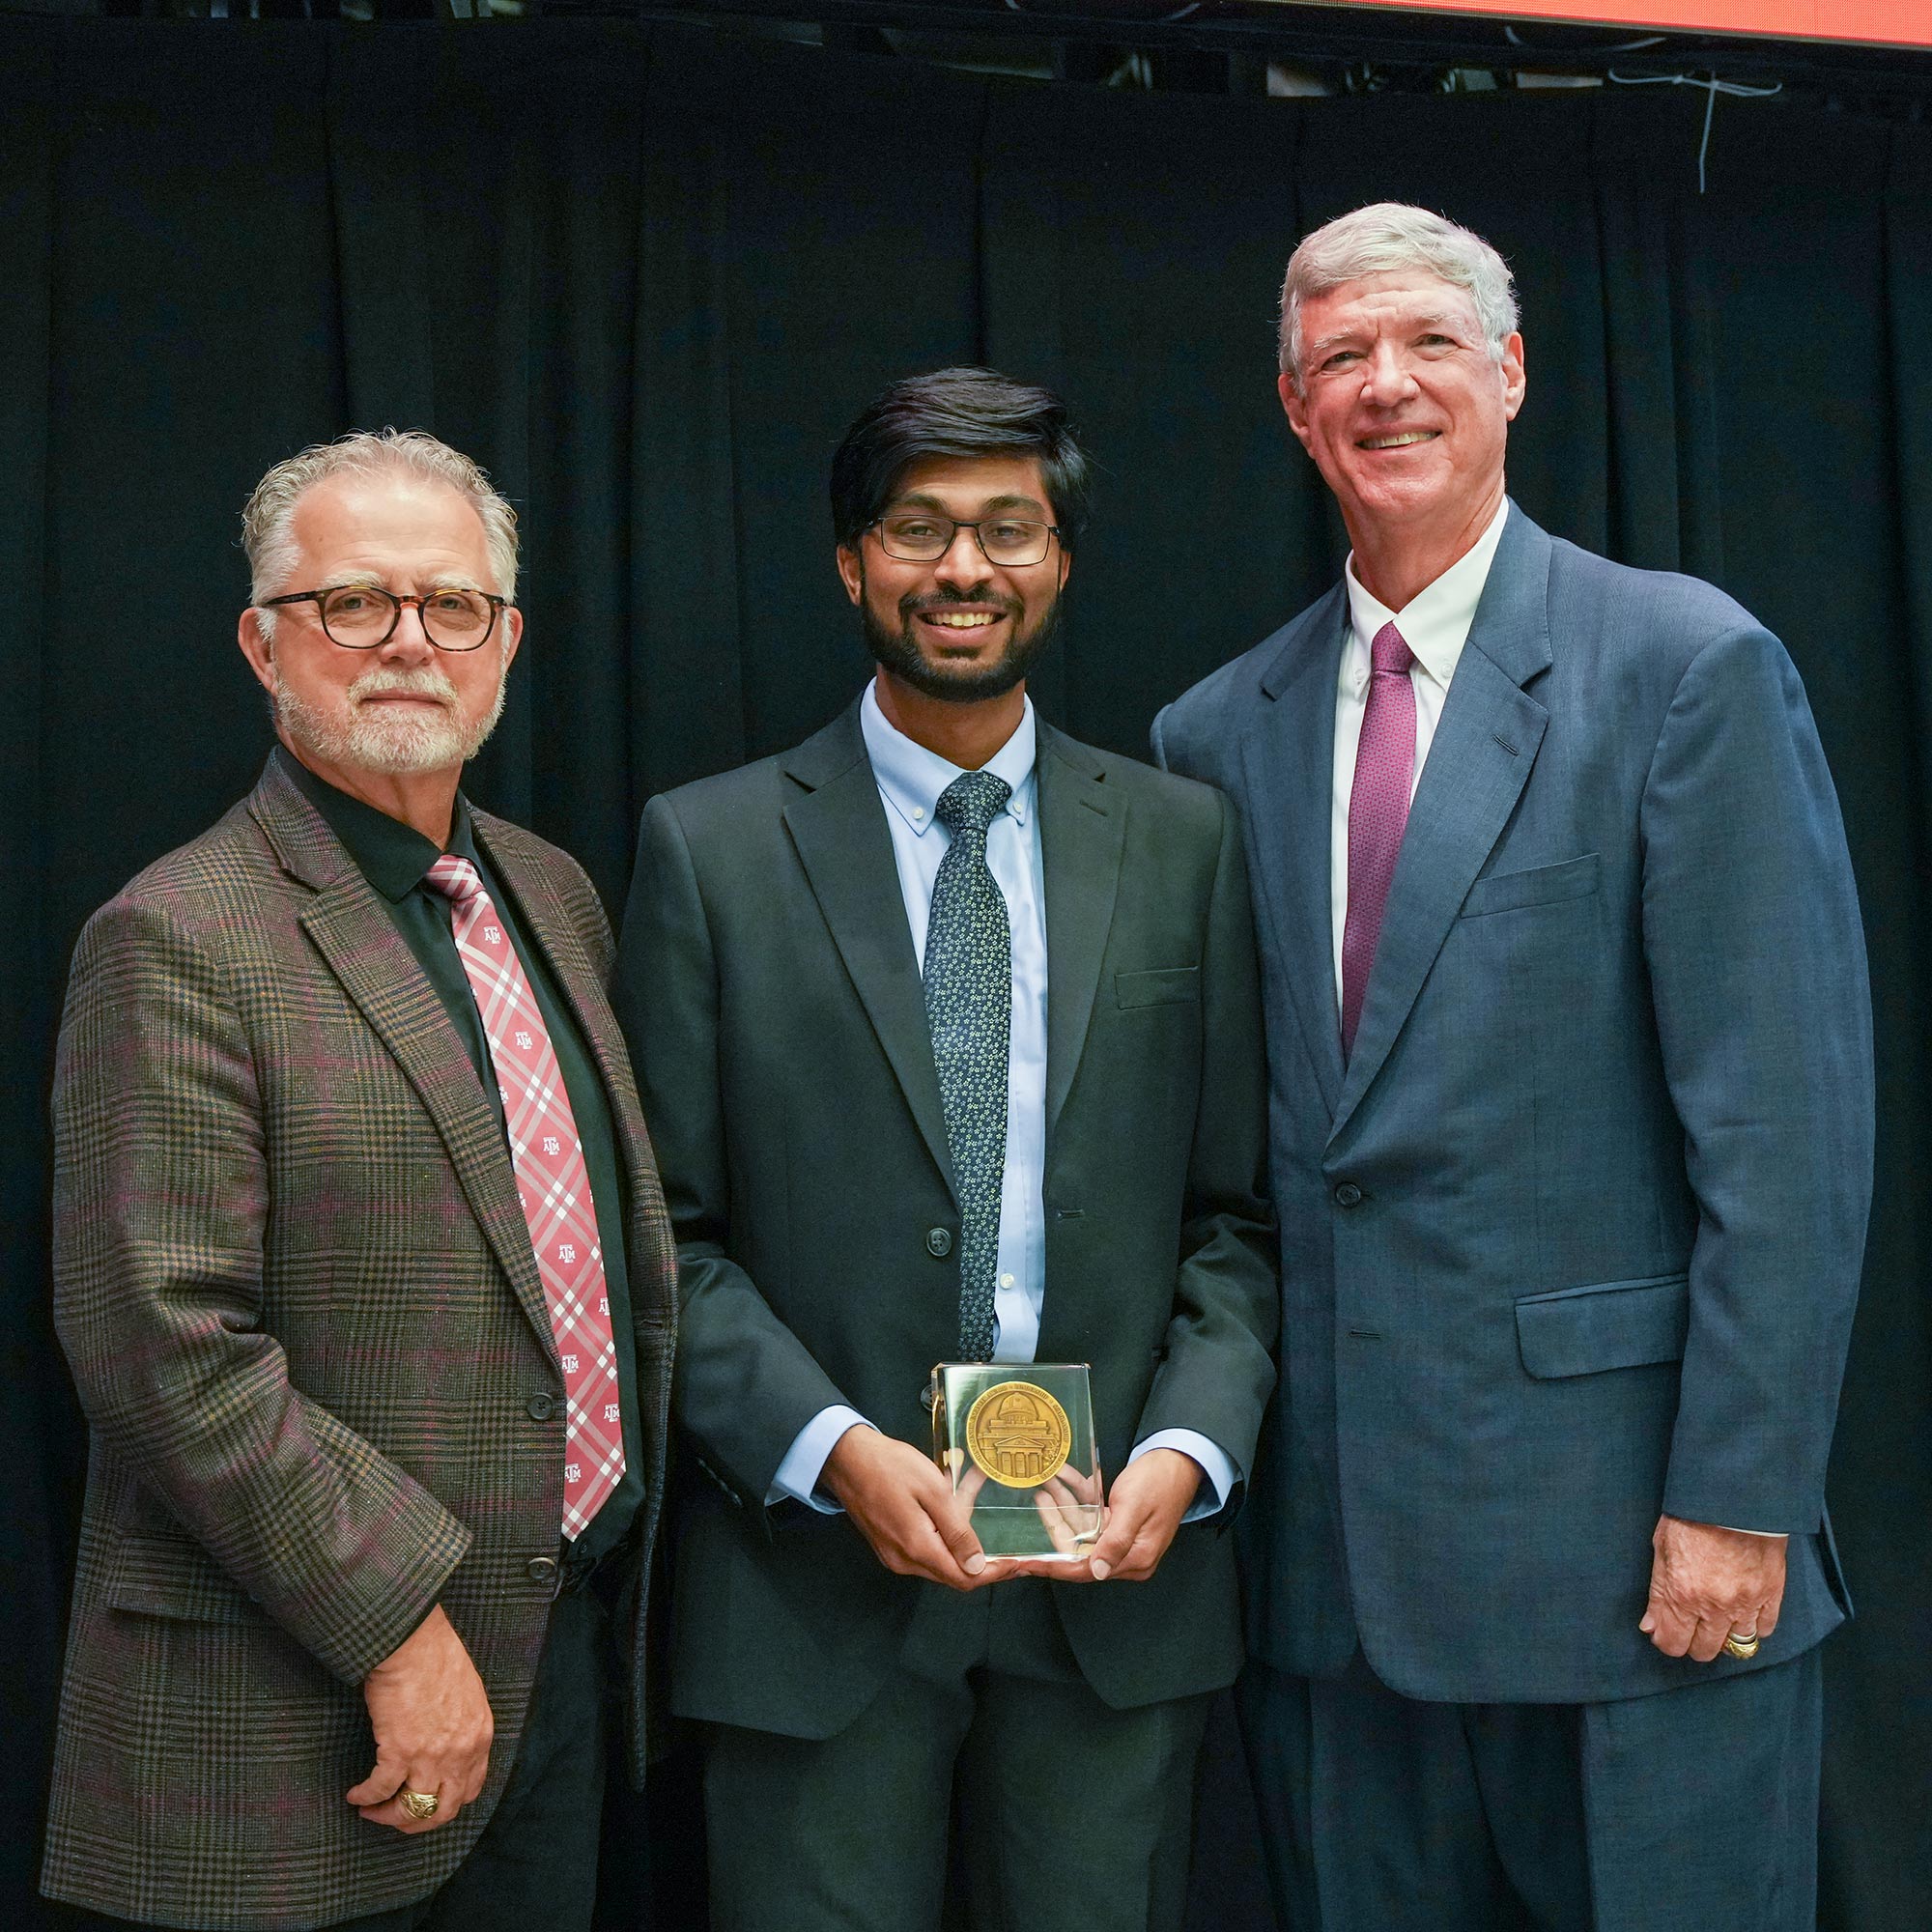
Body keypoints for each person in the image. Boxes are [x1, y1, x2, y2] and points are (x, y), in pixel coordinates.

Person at [1153, 203, 1874, 1930]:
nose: (1385, 386)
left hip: (1637, 1572)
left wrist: (1738, 1498)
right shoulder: (1212, 736)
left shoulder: (1684, 666)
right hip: (1334, 1591)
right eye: (1342, 358)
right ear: (1290, 403)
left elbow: (1788, 1133)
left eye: (1427, 346)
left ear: (1514, 374)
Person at [615, 366, 1276, 1932]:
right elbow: (667, 1237)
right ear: (852, 562)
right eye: (918, 530)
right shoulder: (707, 852)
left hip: (1113, 1583)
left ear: (1060, 563)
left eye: (1007, 530)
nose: (963, 569)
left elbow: (1235, 1217)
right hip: (815, 1591)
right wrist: (829, 1448)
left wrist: (1186, 1452)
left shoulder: (1185, 844)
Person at [43, 430, 675, 1932]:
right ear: (262, 643)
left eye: (451, 606)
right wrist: (398, 1626)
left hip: (555, 1673)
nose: (409, 641)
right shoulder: (179, 937)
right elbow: (162, 1349)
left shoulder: (552, 893)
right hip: (300, 1709)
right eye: (351, 605)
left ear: (508, 642)